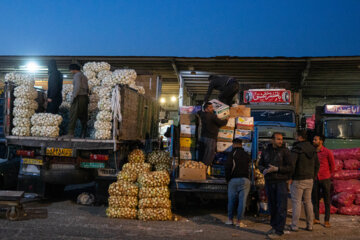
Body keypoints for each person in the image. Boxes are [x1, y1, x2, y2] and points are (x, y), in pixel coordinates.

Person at [258, 132, 293, 238]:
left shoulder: (285, 151)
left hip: (280, 182)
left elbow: (290, 167)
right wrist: (263, 170)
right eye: (278, 139)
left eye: (281, 139)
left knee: (281, 207)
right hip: (269, 182)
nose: (280, 141)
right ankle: (273, 226)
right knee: (272, 206)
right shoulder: (265, 151)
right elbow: (260, 164)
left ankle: (279, 230)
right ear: (272, 140)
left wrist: (277, 169)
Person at [289, 130, 320, 232]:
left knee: (296, 203)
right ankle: (310, 225)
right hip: (310, 179)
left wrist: (290, 177)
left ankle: (294, 226)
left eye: (296, 135)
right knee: (308, 202)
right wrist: (313, 176)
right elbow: (317, 165)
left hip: (298, 179)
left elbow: (292, 164)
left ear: (299, 137)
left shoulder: (297, 148)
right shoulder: (312, 148)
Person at [224, 138, 251, 227]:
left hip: (233, 180)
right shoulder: (246, 154)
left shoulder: (232, 154)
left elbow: (228, 167)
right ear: (241, 144)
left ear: (233, 144)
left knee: (231, 200)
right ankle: (239, 222)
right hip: (245, 180)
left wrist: (228, 179)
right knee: (242, 202)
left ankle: (230, 220)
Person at [312, 135, 335, 228]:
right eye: (313, 139)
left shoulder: (327, 152)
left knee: (326, 200)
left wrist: (328, 175)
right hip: (315, 179)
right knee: (315, 199)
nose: (313, 141)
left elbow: (332, 165)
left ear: (321, 141)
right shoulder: (313, 152)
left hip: (325, 178)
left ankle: (326, 220)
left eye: (315, 140)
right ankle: (317, 218)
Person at [198, 102, 228, 166]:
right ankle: (204, 171)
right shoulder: (212, 116)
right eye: (210, 107)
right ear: (206, 109)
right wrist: (226, 120)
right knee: (209, 156)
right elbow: (221, 123)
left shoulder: (202, 114)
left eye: (212, 107)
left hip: (203, 137)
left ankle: (201, 169)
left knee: (203, 155)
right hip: (211, 138)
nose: (212, 109)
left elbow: (199, 112)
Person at [64, 64, 89, 138]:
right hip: (84, 98)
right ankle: (83, 133)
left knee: (73, 115)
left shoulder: (77, 75)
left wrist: (73, 97)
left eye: (71, 70)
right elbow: (87, 88)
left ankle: (70, 133)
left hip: (78, 97)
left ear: (73, 69)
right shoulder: (84, 76)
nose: (70, 72)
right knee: (83, 116)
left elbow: (77, 87)